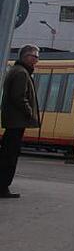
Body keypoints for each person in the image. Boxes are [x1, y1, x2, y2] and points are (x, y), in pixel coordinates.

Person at [0, 45, 41, 199]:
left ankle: (3, 186)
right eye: (35, 57)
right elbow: (19, 97)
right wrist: (29, 112)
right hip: (16, 121)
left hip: (13, 121)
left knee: (7, 154)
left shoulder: (17, 71)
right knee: (9, 156)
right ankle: (3, 187)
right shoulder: (21, 73)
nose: (37, 60)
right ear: (26, 57)